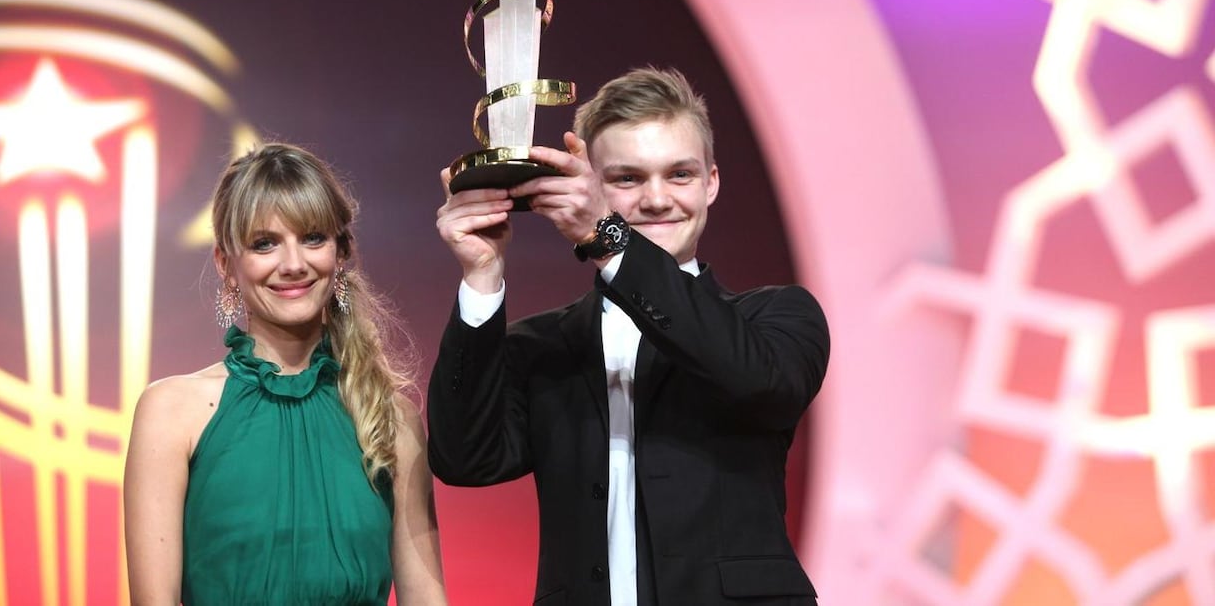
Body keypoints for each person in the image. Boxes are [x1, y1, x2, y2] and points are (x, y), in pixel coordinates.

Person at [429, 67, 829, 605]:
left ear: (711, 182)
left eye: (680, 175)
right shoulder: (544, 345)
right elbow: (466, 460)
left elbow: (758, 384)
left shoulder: (777, 317)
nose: (657, 200)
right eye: (627, 179)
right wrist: (482, 276)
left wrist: (609, 239)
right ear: (589, 185)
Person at [124, 143, 447, 605]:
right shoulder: (171, 412)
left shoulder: (389, 417)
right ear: (226, 264)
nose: (293, 264)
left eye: (313, 237)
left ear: (340, 254)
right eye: (264, 243)